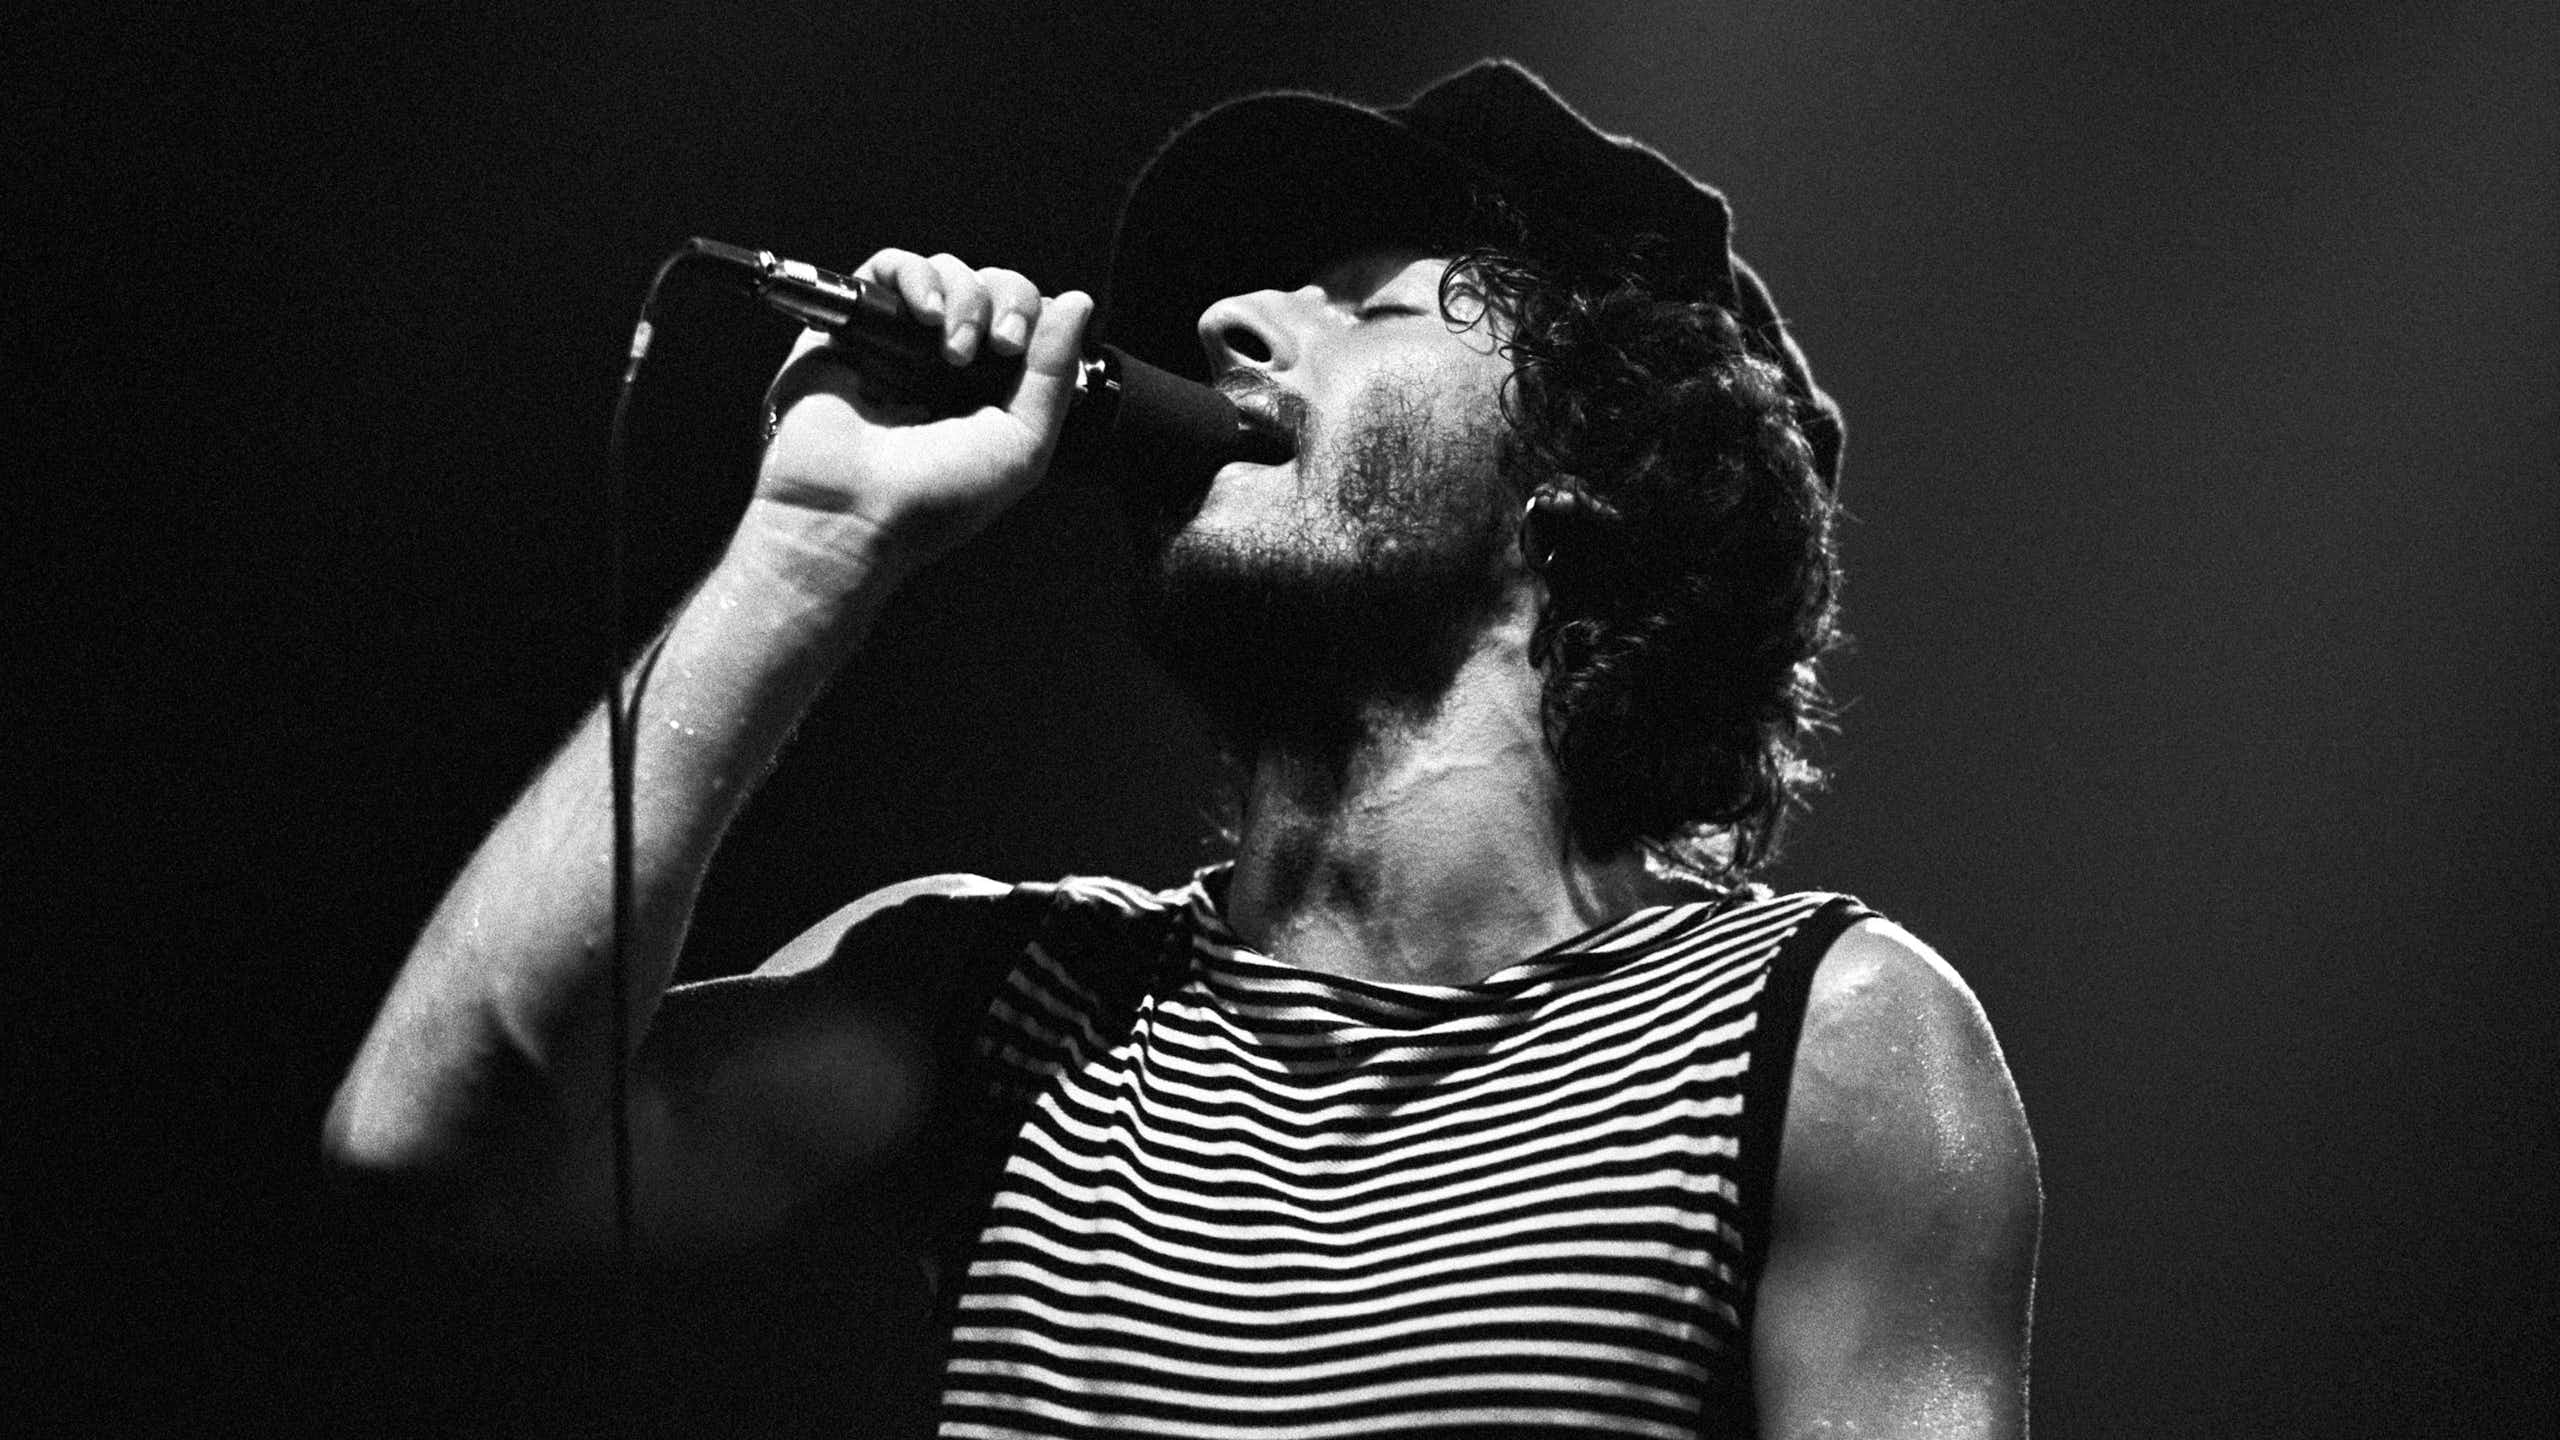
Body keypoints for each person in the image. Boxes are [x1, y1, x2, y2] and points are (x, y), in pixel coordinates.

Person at [328, 60, 2041, 1438]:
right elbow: (435, 1148)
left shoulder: (1826, 1048)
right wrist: (809, 546)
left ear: (1593, 475)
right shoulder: (1004, 999)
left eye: (1373, 306)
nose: (1234, 323)